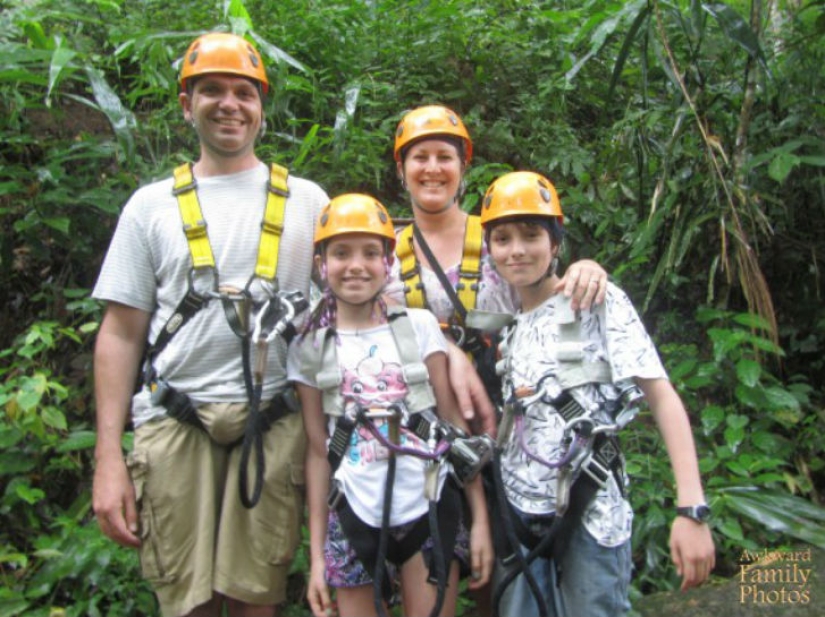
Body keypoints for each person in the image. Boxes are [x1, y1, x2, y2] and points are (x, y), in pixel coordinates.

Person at [91, 32, 330, 617]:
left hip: (273, 421)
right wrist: (108, 457)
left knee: (256, 598)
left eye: (244, 92)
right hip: (175, 418)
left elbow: (351, 311)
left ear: (261, 108)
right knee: (185, 600)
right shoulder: (150, 206)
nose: (229, 104)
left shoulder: (307, 201)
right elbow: (120, 334)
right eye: (212, 91)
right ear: (185, 104)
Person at [479, 171, 715, 617]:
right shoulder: (510, 325)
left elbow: (662, 397)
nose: (517, 250)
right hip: (519, 514)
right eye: (503, 238)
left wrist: (691, 508)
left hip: (590, 513)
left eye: (531, 235)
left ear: (556, 243)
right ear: (490, 250)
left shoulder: (594, 301)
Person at [287, 194, 494, 617]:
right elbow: (316, 450)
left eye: (370, 252)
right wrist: (318, 557)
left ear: (388, 262)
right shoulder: (309, 345)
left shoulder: (417, 328)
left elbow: (454, 430)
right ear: (322, 264)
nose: (356, 265)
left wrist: (481, 523)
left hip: (429, 505)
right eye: (341, 253)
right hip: (351, 510)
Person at [385, 104, 609, 437]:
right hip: (413, 426)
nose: (433, 168)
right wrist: (446, 347)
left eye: (445, 157)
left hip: (505, 414)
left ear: (463, 167)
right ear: (402, 169)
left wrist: (586, 268)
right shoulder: (382, 255)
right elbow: (359, 319)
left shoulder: (501, 240)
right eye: (420, 157)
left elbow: (550, 294)